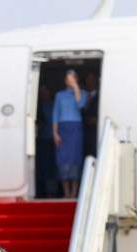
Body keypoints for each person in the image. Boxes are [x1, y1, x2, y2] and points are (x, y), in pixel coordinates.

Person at [53, 69, 87, 198]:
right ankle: (66, 192)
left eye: (72, 78)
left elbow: (80, 104)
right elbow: (55, 114)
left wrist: (76, 87)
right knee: (62, 158)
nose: (69, 81)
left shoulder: (83, 93)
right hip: (62, 128)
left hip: (75, 128)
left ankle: (74, 192)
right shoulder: (59, 95)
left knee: (75, 157)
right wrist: (55, 133)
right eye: (68, 79)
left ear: (76, 79)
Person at [82, 72, 100, 159]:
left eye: (92, 79)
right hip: (83, 136)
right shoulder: (82, 96)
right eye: (88, 80)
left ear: (96, 81)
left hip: (95, 135)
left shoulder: (101, 96)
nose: (90, 82)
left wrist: (96, 119)